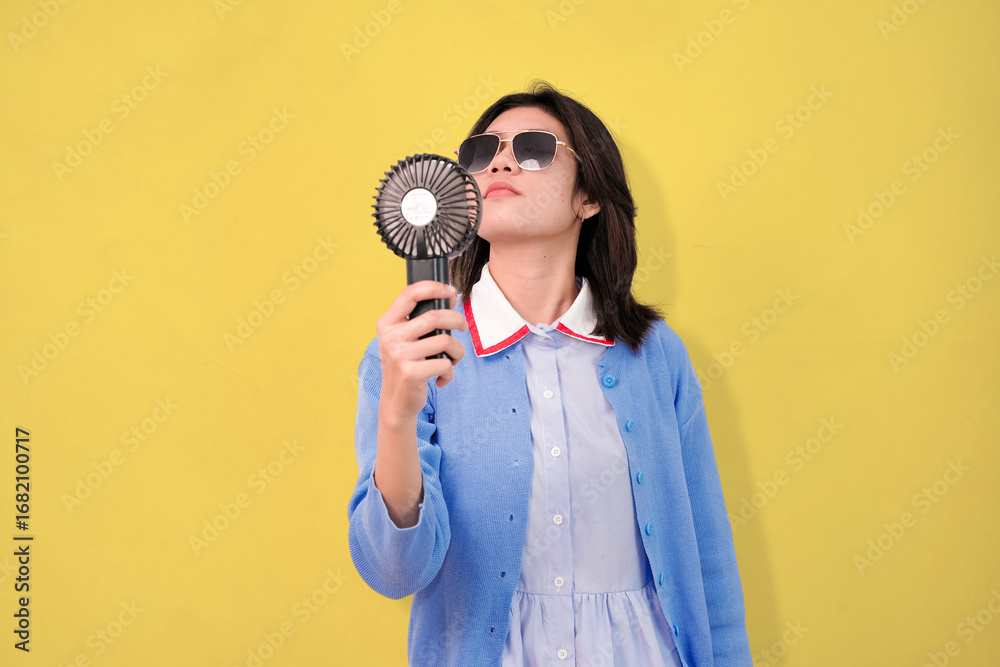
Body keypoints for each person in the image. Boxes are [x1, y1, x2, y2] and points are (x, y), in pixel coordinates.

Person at [348, 81, 753, 666]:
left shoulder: (656, 355)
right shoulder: (410, 356)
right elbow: (393, 571)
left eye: (534, 148)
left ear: (589, 196)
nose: (502, 160)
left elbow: (706, 553)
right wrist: (397, 413)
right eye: (483, 152)